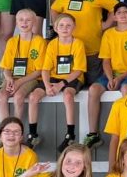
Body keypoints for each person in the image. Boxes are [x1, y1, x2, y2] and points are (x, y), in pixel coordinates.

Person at [83, 2, 127, 149]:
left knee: (126, 91)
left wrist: (120, 78)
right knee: (93, 90)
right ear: (114, 17)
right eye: (119, 13)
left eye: (126, 12)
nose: (123, 15)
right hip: (111, 73)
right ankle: (93, 133)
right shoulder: (109, 34)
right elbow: (106, 61)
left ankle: (126, 130)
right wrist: (111, 78)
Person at [49, 0, 117, 87]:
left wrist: (107, 24)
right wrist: (56, 25)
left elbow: (116, 8)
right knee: (73, 85)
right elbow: (54, 9)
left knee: (92, 86)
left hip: (92, 50)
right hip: (69, 51)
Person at [27, 13, 86, 153]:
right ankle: (32, 134)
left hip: (72, 77)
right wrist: (47, 85)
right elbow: (45, 69)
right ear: (56, 28)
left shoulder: (78, 44)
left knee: (67, 95)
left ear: (74, 28)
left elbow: (78, 70)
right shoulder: (52, 44)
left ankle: (70, 134)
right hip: (54, 77)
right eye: (61, 25)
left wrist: (61, 84)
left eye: (68, 25)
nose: (65, 28)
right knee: (33, 96)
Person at [0, 8, 47, 121]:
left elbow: (39, 71)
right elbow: (6, 67)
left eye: (28, 20)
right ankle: (5, 130)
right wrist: (8, 78)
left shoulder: (39, 42)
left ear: (34, 22)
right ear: (16, 22)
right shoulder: (12, 42)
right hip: (13, 77)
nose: (24, 23)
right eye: (21, 20)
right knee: (1, 97)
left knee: (18, 97)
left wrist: (19, 82)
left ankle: (17, 128)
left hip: (31, 78)